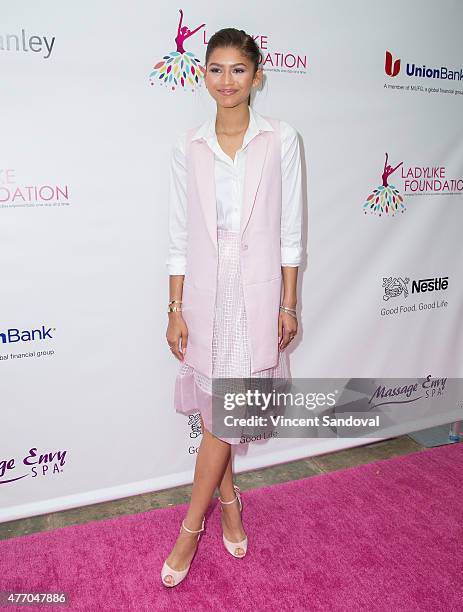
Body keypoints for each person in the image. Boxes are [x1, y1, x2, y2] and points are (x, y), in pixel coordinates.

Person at [162, 27, 304, 587]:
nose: (227, 81)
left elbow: (290, 230)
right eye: (216, 69)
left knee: (226, 411)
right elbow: (178, 234)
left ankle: (188, 528)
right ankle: (228, 503)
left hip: (256, 290)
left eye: (238, 70)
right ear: (202, 74)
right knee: (216, 405)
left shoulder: (281, 138)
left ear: (257, 75)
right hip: (203, 290)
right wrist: (174, 305)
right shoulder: (187, 145)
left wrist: (288, 303)